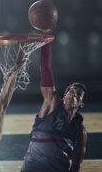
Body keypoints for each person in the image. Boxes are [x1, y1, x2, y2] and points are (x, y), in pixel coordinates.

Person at [21, 41, 88, 172]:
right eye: (71, 91)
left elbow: (76, 163)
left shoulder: (80, 130)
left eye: (78, 94)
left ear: (81, 103)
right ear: (65, 96)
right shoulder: (52, 104)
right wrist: (46, 40)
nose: (73, 94)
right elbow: (45, 69)